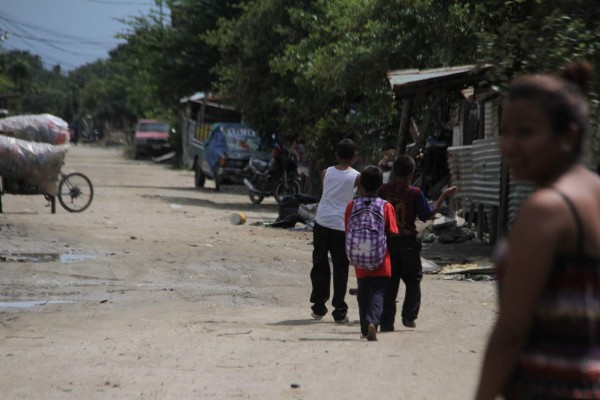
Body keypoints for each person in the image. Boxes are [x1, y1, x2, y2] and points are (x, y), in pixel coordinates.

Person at [475, 61, 600, 399]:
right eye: (506, 132)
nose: (508, 146)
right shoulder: (593, 194)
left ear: (568, 135)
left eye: (526, 133)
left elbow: (512, 331)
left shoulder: (547, 210)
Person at [378, 155, 457, 331]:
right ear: (411, 174)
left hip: (388, 242)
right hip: (408, 242)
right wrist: (443, 195)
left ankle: (386, 322)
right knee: (413, 279)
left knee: (390, 282)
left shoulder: (383, 190)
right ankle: (408, 316)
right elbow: (427, 215)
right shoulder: (414, 193)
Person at [345, 165, 398, 341]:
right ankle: (373, 322)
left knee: (363, 292)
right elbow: (392, 231)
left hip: (359, 257)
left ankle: (364, 328)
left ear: (360, 183)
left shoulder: (352, 205)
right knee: (377, 292)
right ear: (380, 185)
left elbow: (348, 229)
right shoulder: (385, 206)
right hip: (380, 259)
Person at [310, 139, 360, 323]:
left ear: (336, 155)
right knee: (340, 268)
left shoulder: (326, 172)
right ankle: (339, 311)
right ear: (355, 156)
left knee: (319, 264)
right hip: (341, 225)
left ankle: (318, 307)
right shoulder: (357, 176)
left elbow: (327, 193)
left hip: (322, 221)